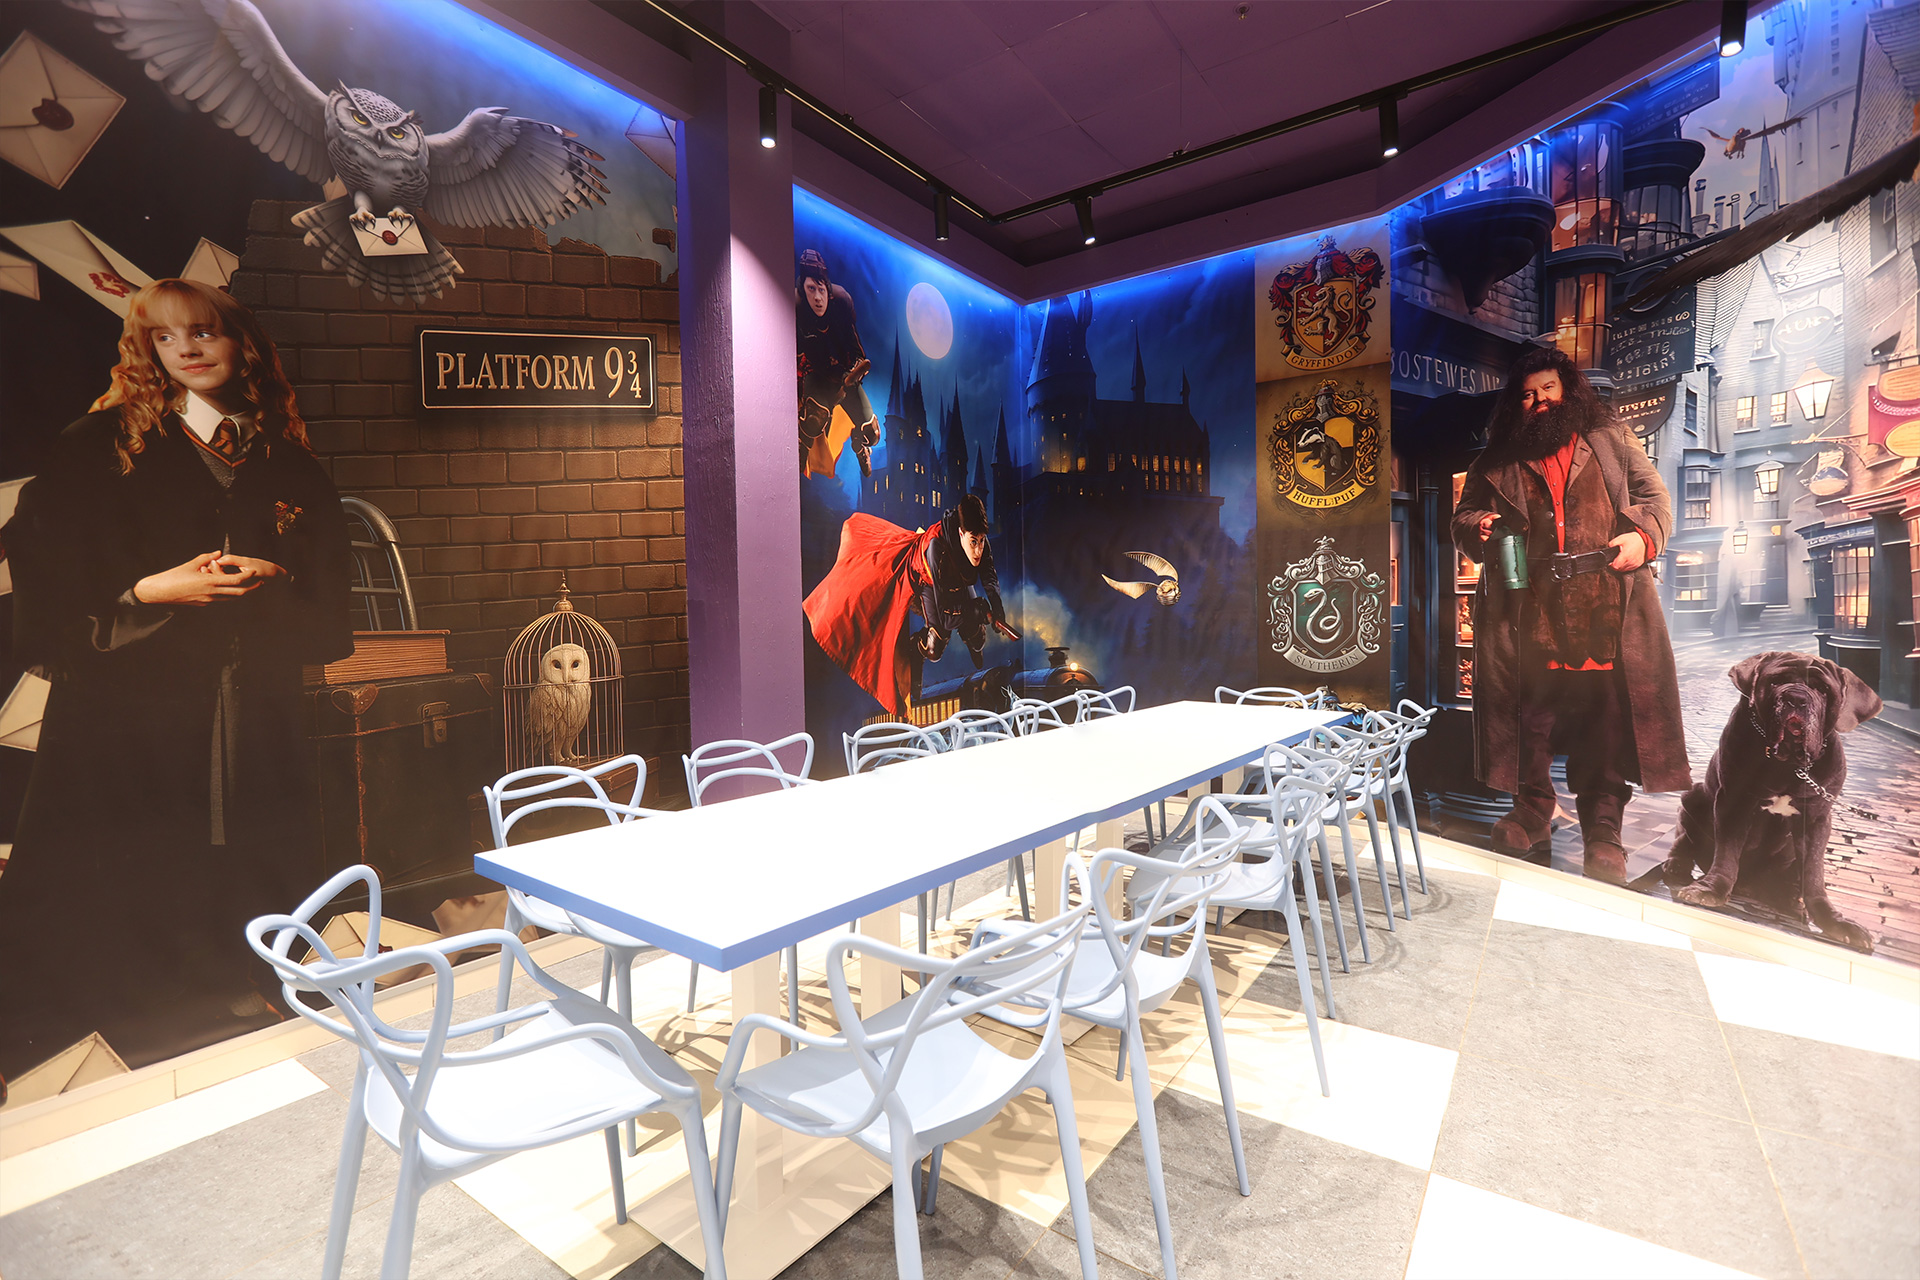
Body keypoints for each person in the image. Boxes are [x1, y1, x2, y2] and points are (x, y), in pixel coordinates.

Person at [0, 279, 352, 1078]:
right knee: (138, 839)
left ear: (241, 343)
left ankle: (233, 981)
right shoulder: (97, 445)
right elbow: (49, 573)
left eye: (204, 331)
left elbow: (328, 591)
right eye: (166, 338)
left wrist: (277, 575)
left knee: (239, 833)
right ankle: (137, 1008)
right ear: (146, 349)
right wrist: (149, 591)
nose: (188, 349)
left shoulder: (284, 456)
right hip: (131, 703)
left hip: (249, 700)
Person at [1450, 346, 1689, 883]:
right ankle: (1533, 811)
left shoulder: (1612, 439)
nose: (1538, 401)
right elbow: (1462, 517)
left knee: (1601, 721)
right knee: (1528, 717)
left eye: (1547, 389)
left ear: (1567, 390)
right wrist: (1477, 526)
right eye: (1527, 394)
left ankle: (1603, 831)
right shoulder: (1498, 456)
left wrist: (1644, 538)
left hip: (1604, 603)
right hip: (1526, 606)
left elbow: (1656, 500)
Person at [803, 493, 1016, 716]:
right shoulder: (936, 549)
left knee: (977, 638)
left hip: (956, 579)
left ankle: (974, 640)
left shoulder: (979, 539)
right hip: (927, 582)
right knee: (935, 646)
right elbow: (946, 617)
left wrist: (997, 610)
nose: (978, 551)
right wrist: (977, 612)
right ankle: (916, 648)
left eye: (981, 542)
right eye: (973, 542)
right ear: (961, 534)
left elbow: (989, 577)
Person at [795, 248, 880, 477]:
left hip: (846, 377)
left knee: (872, 433)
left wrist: (852, 375)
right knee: (813, 420)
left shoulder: (841, 302)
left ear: (828, 290)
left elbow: (858, 353)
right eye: (811, 289)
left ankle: (859, 445)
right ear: (803, 289)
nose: (817, 298)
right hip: (816, 378)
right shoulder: (797, 308)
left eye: (821, 289)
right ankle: (800, 451)